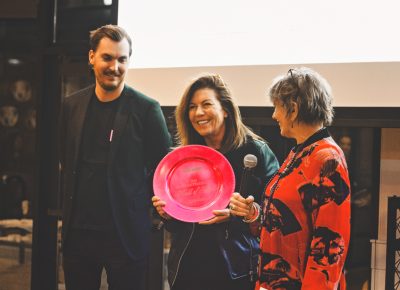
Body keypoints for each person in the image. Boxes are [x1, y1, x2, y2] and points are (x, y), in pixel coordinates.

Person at [60, 24, 171, 290]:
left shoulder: (147, 108)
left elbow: (162, 168)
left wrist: (147, 211)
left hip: (126, 234)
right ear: (91, 57)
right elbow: (66, 156)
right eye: (107, 58)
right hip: (79, 233)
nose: (115, 67)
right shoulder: (71, 105)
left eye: (122, 59)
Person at [152, 74, 279, 290]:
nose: (198, 113)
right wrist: (166, 212)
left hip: (236, 272)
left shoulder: (255, 151)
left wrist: (241, 216)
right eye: (192, 107)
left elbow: (277, 211)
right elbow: (177, 224)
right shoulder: (182, 158)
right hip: (188, 270)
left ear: (226, 110)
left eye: (206, 104)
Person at [230, 67, 351, 289]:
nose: (274, 115)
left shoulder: (327, 159)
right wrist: (253, 214)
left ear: (293, 109)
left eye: (277, 107)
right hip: (274, 281)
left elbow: (330, 244)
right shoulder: (300, 152)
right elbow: (287, 222)